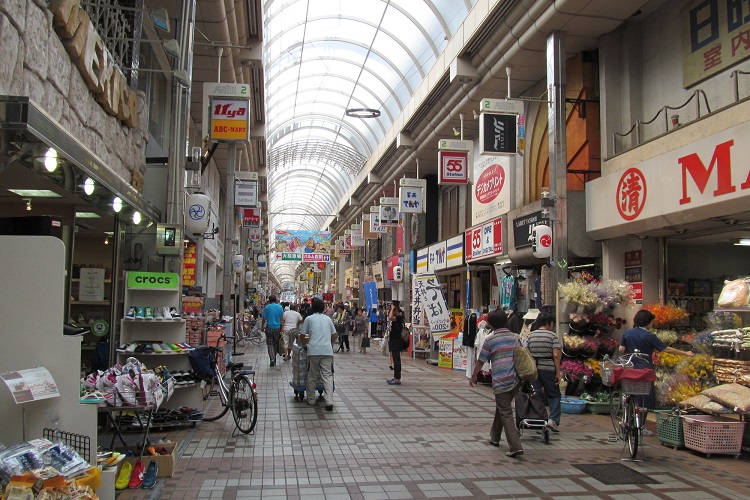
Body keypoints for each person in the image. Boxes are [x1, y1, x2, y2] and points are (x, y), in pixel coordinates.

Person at [469, 309, 523, 458]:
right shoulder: (515, 337)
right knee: (502, 407)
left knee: (505, 412)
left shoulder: (490, 340)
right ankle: (495, 437)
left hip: (501, 381)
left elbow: (481, 360)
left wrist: (474, 376)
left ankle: (515, 446)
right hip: (515, 380)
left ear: (491, 323)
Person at [619, 309, 694, 410]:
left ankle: (629, 413)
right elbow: (666, 349)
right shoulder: (650, 336)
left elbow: (621, 349)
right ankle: (642, 414)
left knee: (631, 391)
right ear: (648, 322)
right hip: (645, 368)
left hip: (630, 367)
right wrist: (685, 353)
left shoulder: (627, 333)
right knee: (645, 394)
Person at [525, 312, 562, 432]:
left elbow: (526, 351)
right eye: (552, 323)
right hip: (548, 368)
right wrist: (558, 372)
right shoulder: (552, 336)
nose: (553, 326)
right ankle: (553, 420)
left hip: (534, 368)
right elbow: (556, 355)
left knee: (537, 393)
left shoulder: (531, 335)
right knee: (554, 394)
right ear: (548, 323)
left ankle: (539, 418)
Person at [300, 297, 336, 411]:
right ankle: (329, 400)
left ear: (312, 307)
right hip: (327, 351)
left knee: (312, 375)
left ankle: (311, 399)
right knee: (327, 376)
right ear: (323, 308)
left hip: (313, 351)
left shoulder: (309, 319)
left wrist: (305, 343)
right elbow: (334, 335)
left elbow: (302, 335)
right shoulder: (328, 319)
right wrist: (329, 343)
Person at [261, 295, 284, 367]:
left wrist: (262, 326)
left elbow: (264, 318)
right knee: (275, 343)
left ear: (269, 300)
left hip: (269, 328)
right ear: (276, 300)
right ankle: (274, 357)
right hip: (277, 328)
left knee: (270, 343)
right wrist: (282, 327)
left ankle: (272, 359)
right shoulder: (280, 307)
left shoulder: (267, 307)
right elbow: (281, 318)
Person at [386, 300, 405, 385]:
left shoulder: (399, 317)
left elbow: (390, 317)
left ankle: (397, 379)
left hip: (397, 341)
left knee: (397, 360)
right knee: (394, 359)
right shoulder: (396, 316)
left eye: (392, 308)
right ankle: (395, 377)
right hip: (393, 340)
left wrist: (393, 308)